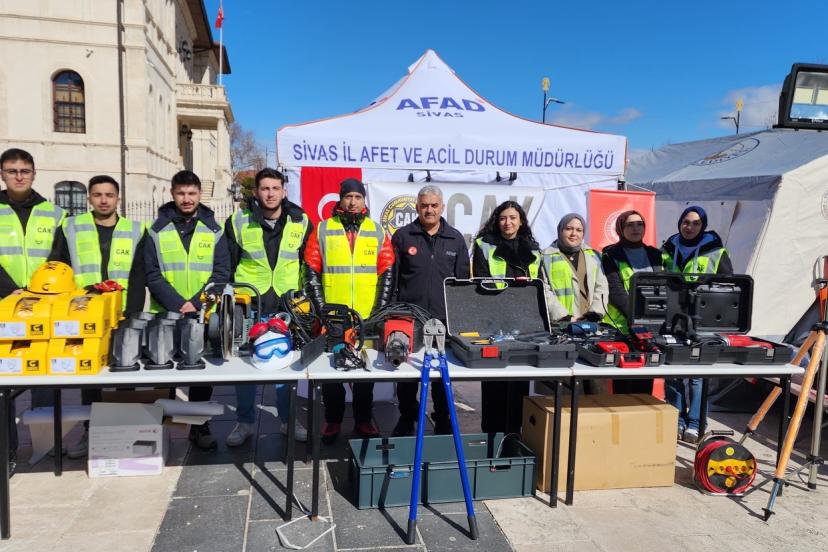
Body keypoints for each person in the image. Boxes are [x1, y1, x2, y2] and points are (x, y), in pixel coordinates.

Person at [50, 175, 146, 458]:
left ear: (118, 198)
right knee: (89, 375)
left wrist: (132, 312)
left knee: (125, 375)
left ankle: (123, 430)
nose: (104, 200)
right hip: (83, 311)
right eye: (97, 195)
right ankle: (90, 431)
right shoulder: (70, 227)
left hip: (122, 311)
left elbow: (139, 275)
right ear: (89, 198)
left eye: (109, 195)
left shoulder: (135, 229)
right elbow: (61, 267)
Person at [224, 168, 312, 447]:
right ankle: (245, 422)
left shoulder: (301, 220)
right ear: (256, 192)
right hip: (249, 303)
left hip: (286, 305)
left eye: (275, 188)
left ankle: (288, 420)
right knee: (245, 368)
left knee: (284, 366)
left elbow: (307, 264)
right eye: (265, 188)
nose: (270, 194)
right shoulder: (239, 221)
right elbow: (229, 262)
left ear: (284, 192)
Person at [304, 178, 395, 442]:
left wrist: (379, 310)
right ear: (340, 199)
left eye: (358, 197)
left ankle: (363, 421)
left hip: (366, 317)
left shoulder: (376, 231)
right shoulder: (323, 229)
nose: (353, 202)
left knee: (365, 373)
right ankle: (332, 421)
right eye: (348, 196)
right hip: (333, 317)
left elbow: (387, 272)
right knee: (332, 373)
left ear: (364, 200)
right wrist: (322, 309)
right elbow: (310, 271)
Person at [144, 170, 230, 450]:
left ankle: (198, 426)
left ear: (199, 194)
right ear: (172, 194)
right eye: (181, 193)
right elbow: (151, 273)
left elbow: (221, 272)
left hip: (202, 313)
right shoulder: (156, 230)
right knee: (164, 372)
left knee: (199, 375)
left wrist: (197, 302)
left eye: (192, 193)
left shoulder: (215, 230)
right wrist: (178, 303)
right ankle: (159, 429)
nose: (186, 199)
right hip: (166, 314)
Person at [0, 148, 65, 473]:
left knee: (44, 375)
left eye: (24, 170)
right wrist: (9, 289)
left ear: (34, 174)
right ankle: (7, 451)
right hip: (3, 302)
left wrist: (39, 290)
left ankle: (47, 442)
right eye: (12, 171)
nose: (19, 176)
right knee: (3, 383)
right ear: (2, 174)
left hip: (44, 304)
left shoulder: (53, 213)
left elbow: (59, 256)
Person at [391, 185, 470, 436]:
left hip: (443, 319)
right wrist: (392, 312)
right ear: (417, 207)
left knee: (441, 371)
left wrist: (460, 317)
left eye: (434, 205)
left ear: (442, 207)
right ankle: (407, 415)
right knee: (406, 371)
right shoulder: (403, 236)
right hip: (409, 317)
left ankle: (442, 417)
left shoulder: (455, 239)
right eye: (424, 205)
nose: (429, 210)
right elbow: (392, 279)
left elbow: (462, 284)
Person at [661, 205, 733, 443]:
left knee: (697, 374)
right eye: (685, 222)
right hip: (673, 317)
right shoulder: (668, 247)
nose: (689, 227)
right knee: (673, 372)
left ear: (703, 225)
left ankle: (695, 423)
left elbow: (728, 285)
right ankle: (677, 420)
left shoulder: (715, 250)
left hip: (703, 318)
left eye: (695, 223)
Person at [472, 200, 542, 434]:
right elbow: (481, 282)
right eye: (503, 218)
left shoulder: (533, 249)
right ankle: (491, 435)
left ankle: (514, 435)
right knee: (494, 384)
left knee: (519, 384)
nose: (507, 222)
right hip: (494, 323)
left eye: (513, 218)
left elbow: (538, 285)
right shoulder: (484, 245)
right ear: (496, 221)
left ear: (521, 222)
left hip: (525, 325)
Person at [601, 210, 663, 394]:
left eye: (639, 224)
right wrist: (637, 317)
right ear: (620, 228)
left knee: (645, 383)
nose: (635, 228)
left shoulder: (655, 254)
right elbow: (615, 291)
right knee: (625, 384)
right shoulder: (610, 254)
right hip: (624, 328)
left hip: (651, 328)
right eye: (629, 224)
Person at [542, 213, 608, 323]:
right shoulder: (545, 256)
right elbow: (544, 290)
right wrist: (564, 317)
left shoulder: (594, 255)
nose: (574, 234)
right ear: (560, 230)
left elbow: (602, 287)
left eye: (579, 230)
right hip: (560, 324)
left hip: (591, 323)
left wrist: (595, 314)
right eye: (568, 229)